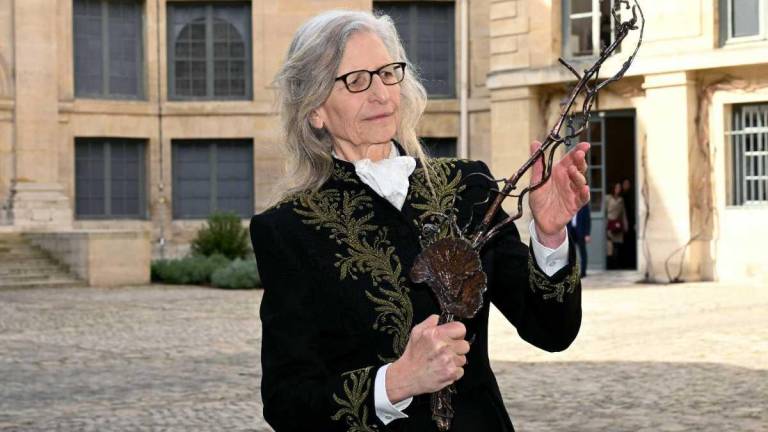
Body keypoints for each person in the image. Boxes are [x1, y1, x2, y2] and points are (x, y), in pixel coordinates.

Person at [250, 10, 590, 432]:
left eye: (388, 73)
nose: (380, 94)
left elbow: (551, 330)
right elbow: (286, 401)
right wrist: (394, 382)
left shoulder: (467, 187)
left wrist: (550, 235)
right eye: (356, 80)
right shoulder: (289, 230)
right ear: (315, 109)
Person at [605, 182, 628, 270]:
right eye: (617, 187)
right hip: (609, 224)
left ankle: (616, 265)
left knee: (617, 246)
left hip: (618, 224)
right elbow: (604, 211)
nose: (618, 189)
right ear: (613, 188)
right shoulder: (608, 198)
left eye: (619, 188)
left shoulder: (621, 199)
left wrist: (626, 225)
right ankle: (610, 265)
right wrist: (605, 225)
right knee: (610, 246)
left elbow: (623, 213)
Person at [567, 204, 591, 277]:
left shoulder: (584, 205)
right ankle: (572, 272)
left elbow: (587, 220)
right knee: (571, 253)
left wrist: (587, 234)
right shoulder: (569, 204)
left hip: (581, 232)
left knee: (582, 252)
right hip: (571, 231)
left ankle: (583, 272)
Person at [620, 178, 636, 269]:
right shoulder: (622, 196)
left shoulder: (632, 195)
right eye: (624, 184)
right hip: (622, 223)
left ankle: (630, 263)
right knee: (623, 245)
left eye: (627, 184)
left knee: (630, 244)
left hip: (630, 222)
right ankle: (625, 263)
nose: (626, 185)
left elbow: (632, 210)